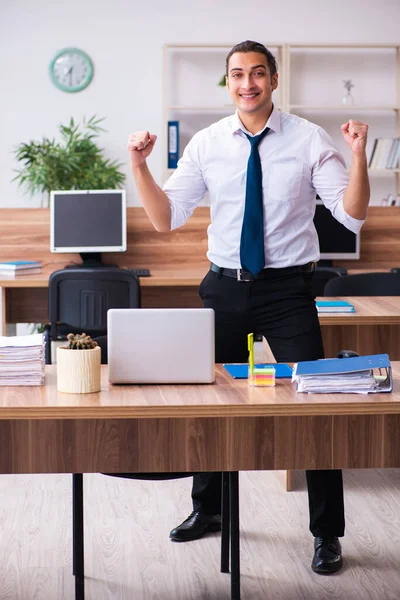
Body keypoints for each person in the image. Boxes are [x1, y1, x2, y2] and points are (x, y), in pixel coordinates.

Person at [127, 40, 370, 575]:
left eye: (258, 73)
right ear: (228, 82)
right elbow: (166, 219)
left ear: (274, 80)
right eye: (237, 74)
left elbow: (351, 216)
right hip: (224, 288)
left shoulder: (309, 139)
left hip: (288, 291)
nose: (247, 84)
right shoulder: (208, 143)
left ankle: (327, 533)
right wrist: (139, 166)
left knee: (316, 402)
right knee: (209, 401)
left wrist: (357, 156)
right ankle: (207, 510)